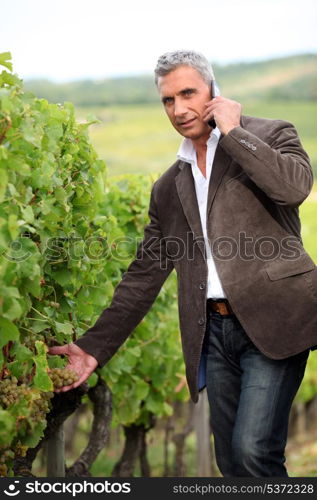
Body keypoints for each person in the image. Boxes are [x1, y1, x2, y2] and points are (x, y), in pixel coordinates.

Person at [48, 50, 317, 477]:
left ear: (212, 90)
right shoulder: (169, 187)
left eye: (188, 93)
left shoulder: (271, 133)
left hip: (275, 320)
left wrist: (233, 131)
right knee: (230, 462)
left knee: (253, 452)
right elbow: (143, 275)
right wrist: (92, 349)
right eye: (168, 100)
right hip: (214, 333)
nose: (179, 109)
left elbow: (293, 187)